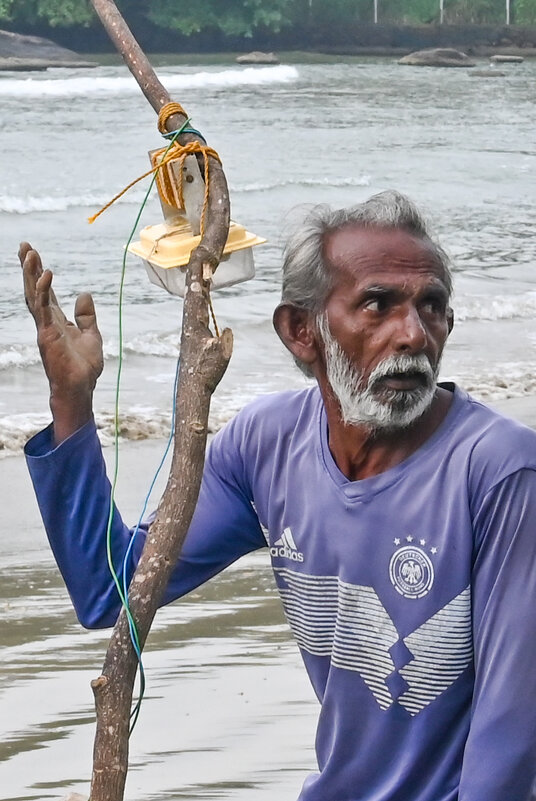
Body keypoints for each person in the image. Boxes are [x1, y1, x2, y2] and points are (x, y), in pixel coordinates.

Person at [21, 191, 536, 801]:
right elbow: (114, 591)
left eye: (432, 307)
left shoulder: (501, 471)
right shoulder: (266, 444)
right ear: (301, 331)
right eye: (378, 304)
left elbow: (512, 741)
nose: (413, 334)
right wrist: (72, 406)